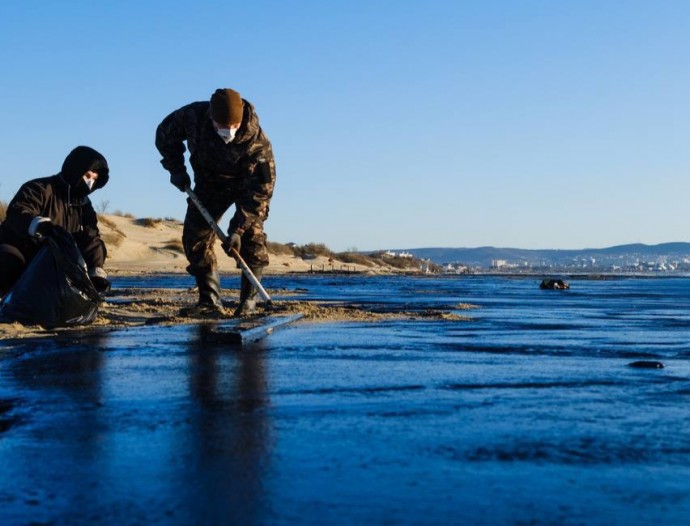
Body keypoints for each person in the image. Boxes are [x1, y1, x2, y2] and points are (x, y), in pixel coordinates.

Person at [155, 88, 276, 317]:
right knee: (195, 235)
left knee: (252, 236)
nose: (228, 132)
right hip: (209, 184)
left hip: (245, 188)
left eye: (233, 127)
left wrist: (238, 229)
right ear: (211, 118)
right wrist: (176, 169)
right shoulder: (193, 117)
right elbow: (164, 135)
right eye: (222, 126)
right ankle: (210, 301)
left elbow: (261, 192)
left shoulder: (258, 143)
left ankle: (248, 303)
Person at [0, 146, 111, 297]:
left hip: (55, 262)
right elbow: (18, 213)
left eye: (94, 179)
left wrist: (96, 270)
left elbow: (91, 237)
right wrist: (39, 225)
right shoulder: (39, 188)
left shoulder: (84, 205)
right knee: (7, 259)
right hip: (24, 252)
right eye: (87, 176)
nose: (90, 182)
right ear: (75, 169)